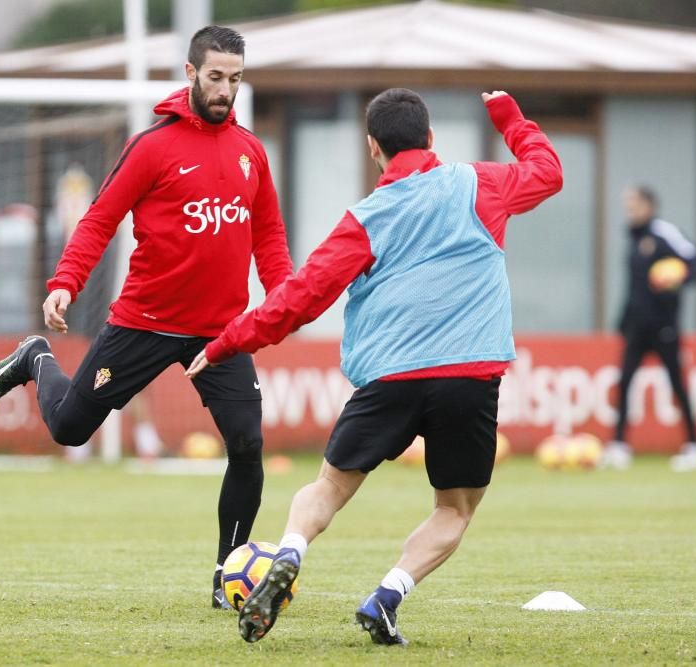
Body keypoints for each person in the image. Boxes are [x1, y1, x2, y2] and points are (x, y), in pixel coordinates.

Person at [186, 88, 563, 645]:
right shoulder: (479, 183)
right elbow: (547, 173)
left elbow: (301, 299)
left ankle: (288, 552)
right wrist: (509, 117)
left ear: (373, 148)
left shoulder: (366, 217)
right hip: (467, 377)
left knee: (329, 487)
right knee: (455, 510)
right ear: (431, 138)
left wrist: (226, 342)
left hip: (388, 378)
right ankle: (387, 597)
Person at [0, 26, 293, 608]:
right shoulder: (153, 146)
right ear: (191, 72)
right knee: (70, 430)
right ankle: (35, 358)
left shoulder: (251, 152)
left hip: (219, 333)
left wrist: (284, 299)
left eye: (236, 79)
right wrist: (65, 283)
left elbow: (268, 234)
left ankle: (229, 575)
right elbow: (99, 219)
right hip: (145, 322)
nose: (226, 89)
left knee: (247, 445)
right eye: (217, 77)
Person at [601, 185, 696, 472]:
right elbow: (633, 287)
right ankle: (619, 446)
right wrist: (623, 322)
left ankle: (695, 446)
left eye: (634, 204)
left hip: (664, 325)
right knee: (624, 383)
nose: (629, 210)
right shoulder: (633, 239)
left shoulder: (664, 232)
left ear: (649, 205)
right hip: (636, 326)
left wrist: (675, 281)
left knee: (676, 385)